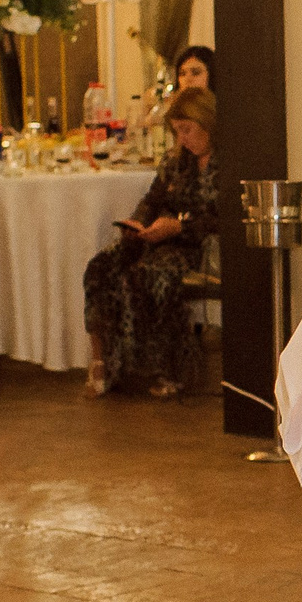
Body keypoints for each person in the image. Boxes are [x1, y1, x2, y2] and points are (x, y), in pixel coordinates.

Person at [82, 87, 217, 399]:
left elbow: (220, 218)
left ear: (208, 124)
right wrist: (138, 224)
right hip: (160, 235)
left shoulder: (228, 165)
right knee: (102, 265)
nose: (182, 138)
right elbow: (153, 199)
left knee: (155, 273)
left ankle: (171, 367)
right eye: (178, 131)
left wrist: (180, 227)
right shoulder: (175, 161)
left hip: (199, 244)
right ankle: (104, 361)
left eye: (188, 130)